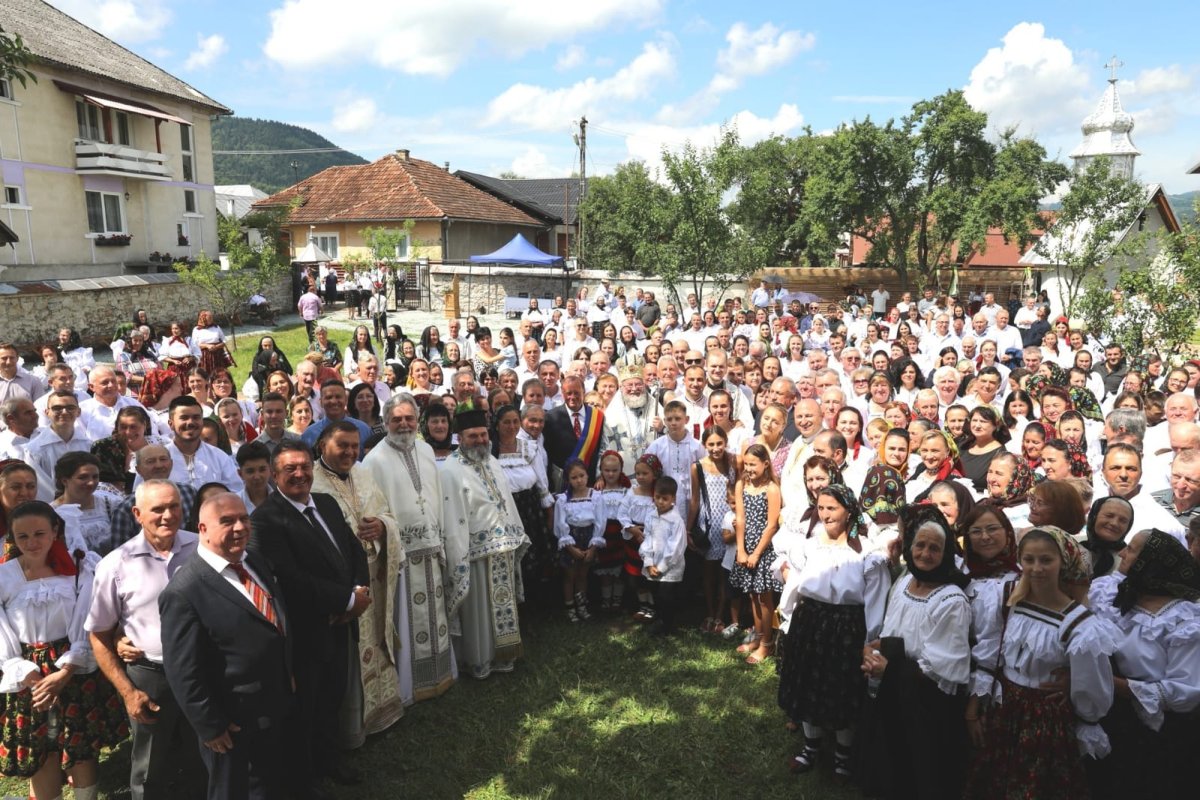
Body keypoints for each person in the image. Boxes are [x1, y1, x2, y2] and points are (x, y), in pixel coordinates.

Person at [248, 442, 369, 794]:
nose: (299, 474)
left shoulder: (326, 504)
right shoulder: (266, 519)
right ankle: (305, 777)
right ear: (274, 475)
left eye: (304, 466)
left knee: (333, 695)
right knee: (306, 705)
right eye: (290, 470)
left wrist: (358, 590)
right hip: (307, 629)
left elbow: (352, 549)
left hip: (342, 622)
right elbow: (289, 577)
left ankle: (330, 759)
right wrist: (347, 600)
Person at [964, 526, 1117, 799]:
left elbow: (1092, 685)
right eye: (1029, 559)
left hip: (1045, 719)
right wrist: (974, 707)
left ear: (1063, 562)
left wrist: (1076, 696)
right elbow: (990, 650)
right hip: (1005, 708)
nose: (1036, 568)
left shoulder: (1080, 625)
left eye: (1046, 560)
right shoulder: (1007, 598)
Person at [158, 493, 290, 800]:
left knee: (269, 784)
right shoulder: (184, 591)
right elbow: (182, 672)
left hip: (272, 705)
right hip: (231, 725)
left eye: (244, 518)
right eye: (227, 521)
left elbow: (277, 619)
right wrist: (211, 726)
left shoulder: (252, 560)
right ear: (202, 529)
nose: (240, 527)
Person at [86, 480, 206, 799]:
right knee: (150, 767)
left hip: (203, 672)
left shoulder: (204, 549)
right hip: (151, 678)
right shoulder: (115, 564)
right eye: (158, 509)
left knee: (205, 758)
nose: (168, 515)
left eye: (174, 506)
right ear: (138, 514)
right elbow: (98, 633)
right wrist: (128, 692)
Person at [0, 501, 125, 800]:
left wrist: (65, 672)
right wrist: (29, 676)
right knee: (41, 750)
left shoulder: (79, 569)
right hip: (26, 673)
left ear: (56, 530)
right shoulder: (5, 577)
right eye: (23, 537)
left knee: (80, 746)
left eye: (40, 533)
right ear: (12, 539)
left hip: (74, 667)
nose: (32, 543)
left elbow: (87, 622)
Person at [775, 485, 891, 780]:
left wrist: (871, 641)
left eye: (832, 508)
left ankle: (843, 755)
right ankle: (810, 747)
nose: (825, 514)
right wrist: (788, 617)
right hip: (810, 623)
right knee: (809, 685)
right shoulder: (810, 546)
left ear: (849, 511)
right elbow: (796, 585)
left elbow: (876, 601)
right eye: (821, 508)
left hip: (847, 629)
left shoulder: (868, 554)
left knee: (842, 690)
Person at [862, 505, 971, 800]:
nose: (925, 553)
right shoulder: (906, 579)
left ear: (946, 553)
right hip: (896, 690)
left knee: (920, 769)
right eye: (920, 545)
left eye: (934, 548)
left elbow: (944, 671)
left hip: (926, 707)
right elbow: (895, 627)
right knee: (890, 756)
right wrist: (875, 649)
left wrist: (890, 669)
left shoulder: (951, 600)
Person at [1087, 529, 1200, 800]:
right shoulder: (1112, 591)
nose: (1123, 552)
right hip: (1104, 714)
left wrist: (1109, 682)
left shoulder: (1185, 620)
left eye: (1132, 550)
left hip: (1154, 732)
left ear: (1153, 561)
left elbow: (1185, 692)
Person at [311, 422, 405, 745]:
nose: (350, 452)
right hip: (343, 583)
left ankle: (381, 710)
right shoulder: (312, 481)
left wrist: (381, 527)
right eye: (342, 446)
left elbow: (387, 514)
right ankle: (352, 727)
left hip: (375, 574)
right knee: (349, 657)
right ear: (323, 445)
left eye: (355, 446)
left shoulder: (363, 473)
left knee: (376, 639)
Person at [363, 395, 462, 702]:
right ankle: (411, 684)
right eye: (396, 419)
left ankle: (441, 673)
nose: (403, 424)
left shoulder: (426, 449)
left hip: (431, 547)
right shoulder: (374, 460)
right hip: (401, 556)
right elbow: (372, 509)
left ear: (416, 420)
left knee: (437, 615)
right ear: (386, 422)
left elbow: (436, 494)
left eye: (408, 418)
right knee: (407, 621)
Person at [440, 408, 530, 678]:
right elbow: (452, 516)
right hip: (475, 553)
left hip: (502, 547)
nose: (479, 440)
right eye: (472, 436)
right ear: (460, 437)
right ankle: (480, 660)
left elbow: (506, 501)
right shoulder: (451, 471)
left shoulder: (491, 460)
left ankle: (505, 656)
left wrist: (515, 534)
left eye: (482, 434)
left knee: (502, 606)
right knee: (479, 611)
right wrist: (459, 553)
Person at [729, 443, 782, 665]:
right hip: (746, 546)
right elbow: (740, 519)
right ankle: (758, 637)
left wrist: (756, 553)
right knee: (752, 593)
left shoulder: (771, 488)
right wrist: (741, 549)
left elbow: (771, 525)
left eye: (754, 464)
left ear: (765, 464)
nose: (749, 468)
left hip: (764, 547)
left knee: (764, 597)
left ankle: (767, 643)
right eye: (747, 463)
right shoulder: (742, 484)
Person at [689, 427, 738, 633]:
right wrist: (688, 529)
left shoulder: (734, 462)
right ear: (704, 445)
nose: (716, 448)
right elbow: (694, 499)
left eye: (719, 443)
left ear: (726, 442)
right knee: (709, 572)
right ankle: (709, 613)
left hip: (727, 524)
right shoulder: (697, 466)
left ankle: (720, 615)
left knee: (724, 572)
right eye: (711, 444)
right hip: (707, 524)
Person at [553, 459, 606, 622]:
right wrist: (571, 548)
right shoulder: (563, 500)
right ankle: (570, 607)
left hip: (588, 539)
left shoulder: (596, 497)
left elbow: (600, 522)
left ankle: (582, 606)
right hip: (571, 540)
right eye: (574, 477)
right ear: (568, 480)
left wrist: (593, 548)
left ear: (587, 475)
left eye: (581, 476)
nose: (579, 480)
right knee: (570, 575)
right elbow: (560, 524)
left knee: (583, 575)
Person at [638, 474, 687, 636]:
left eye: (665, 499)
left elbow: (676, 548)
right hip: (653, 565)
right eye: (658, 497)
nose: (660, 502)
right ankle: (660, 620)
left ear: (673, 498)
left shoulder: (676, 521)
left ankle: (667, 625)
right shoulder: (651, 516)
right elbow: (647, 539)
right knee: (657, 594)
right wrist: (649, 563)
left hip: (669, 568)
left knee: (667, 595)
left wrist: (661, 567)